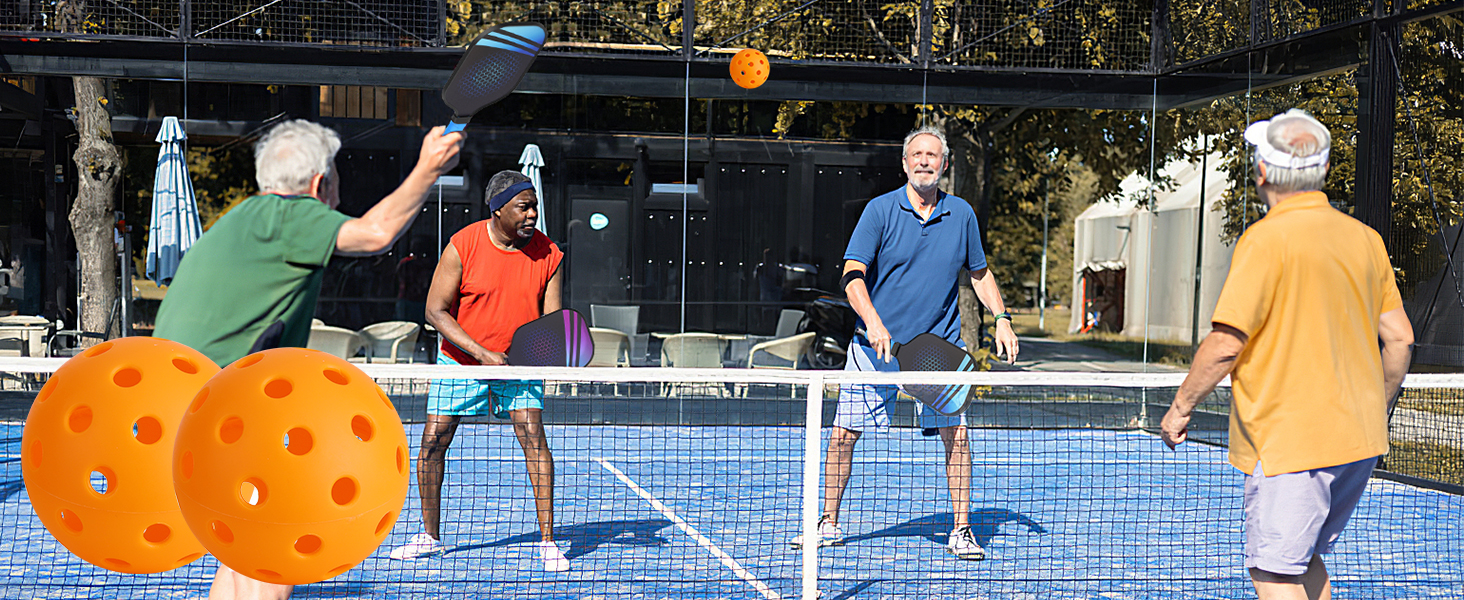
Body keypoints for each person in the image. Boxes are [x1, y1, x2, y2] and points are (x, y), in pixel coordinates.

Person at [152, 119, 464, 600]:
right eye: (337, 176)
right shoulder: (289, 215)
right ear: (321, 184)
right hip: (224, 417)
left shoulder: (241, 220)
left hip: (185, 416)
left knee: (244, 554)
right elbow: (374, 234)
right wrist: (428, 168)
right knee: (275, 554)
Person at [1161, 109, 1413, 600]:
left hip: (1292, 443)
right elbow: (1400, 338)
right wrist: (1375, 409)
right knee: (1302, 559)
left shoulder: (1264, 240)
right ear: (1320, 172)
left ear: (1262, 173)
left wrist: (1179, 408)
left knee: (1273, 573)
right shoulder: (1366, 239)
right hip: (1358, 440)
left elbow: (1225, 345)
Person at [791, 126, 1020, 560]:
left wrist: (1002, 319)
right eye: (916, 154)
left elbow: (979, 273)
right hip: (872, 349)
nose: (924, 161)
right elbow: (852, 275)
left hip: (939, 350)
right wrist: (874, 323)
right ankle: (828, 524)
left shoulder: (962, 215)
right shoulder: (879, 211)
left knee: (957, 437)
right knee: (842, 435)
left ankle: (961, 530)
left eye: (932, 155)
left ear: (945, 165)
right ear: (904, 163)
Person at [389, 171, 568, 572]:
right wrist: (481, 352)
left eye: (535, 206)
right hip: (460, 360)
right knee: (433, 442)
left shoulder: (549, 254)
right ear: (498, 209)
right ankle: (429, 537)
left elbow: (551, 319)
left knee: (533, 438)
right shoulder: (462, 245)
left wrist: (542, 349)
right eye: (524, 207)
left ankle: (548, 541)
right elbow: (435, 310)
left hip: (518, 366)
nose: (532, 214)